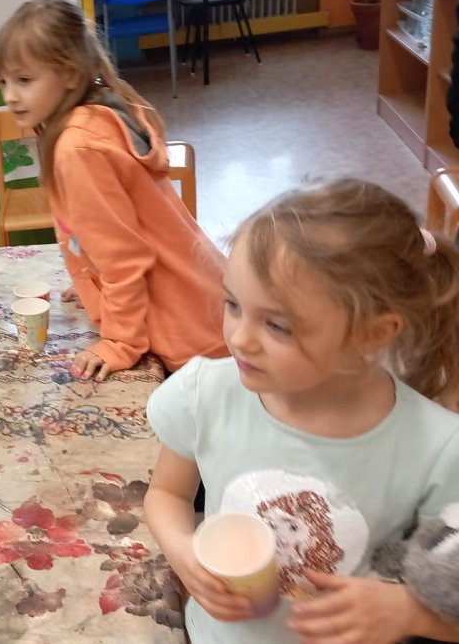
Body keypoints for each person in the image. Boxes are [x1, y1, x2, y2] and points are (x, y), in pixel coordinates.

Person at [143, 179, 459, 643]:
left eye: (277, 325)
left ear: (373, 334)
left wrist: (411, 613)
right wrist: (182, 550)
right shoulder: (205, 392)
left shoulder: (438, 447)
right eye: (233, 304)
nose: (240, 338)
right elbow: (167, 494)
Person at [0, 0, 228, 380]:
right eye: (3, 81)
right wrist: (91, 280)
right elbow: (110, 233)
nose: (9, 96)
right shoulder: (97, 114)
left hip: (188, 332)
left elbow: (125, 259)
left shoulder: (77, 149)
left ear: (70, 74)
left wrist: (120, 341)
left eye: (24, 80)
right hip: (205, 301)